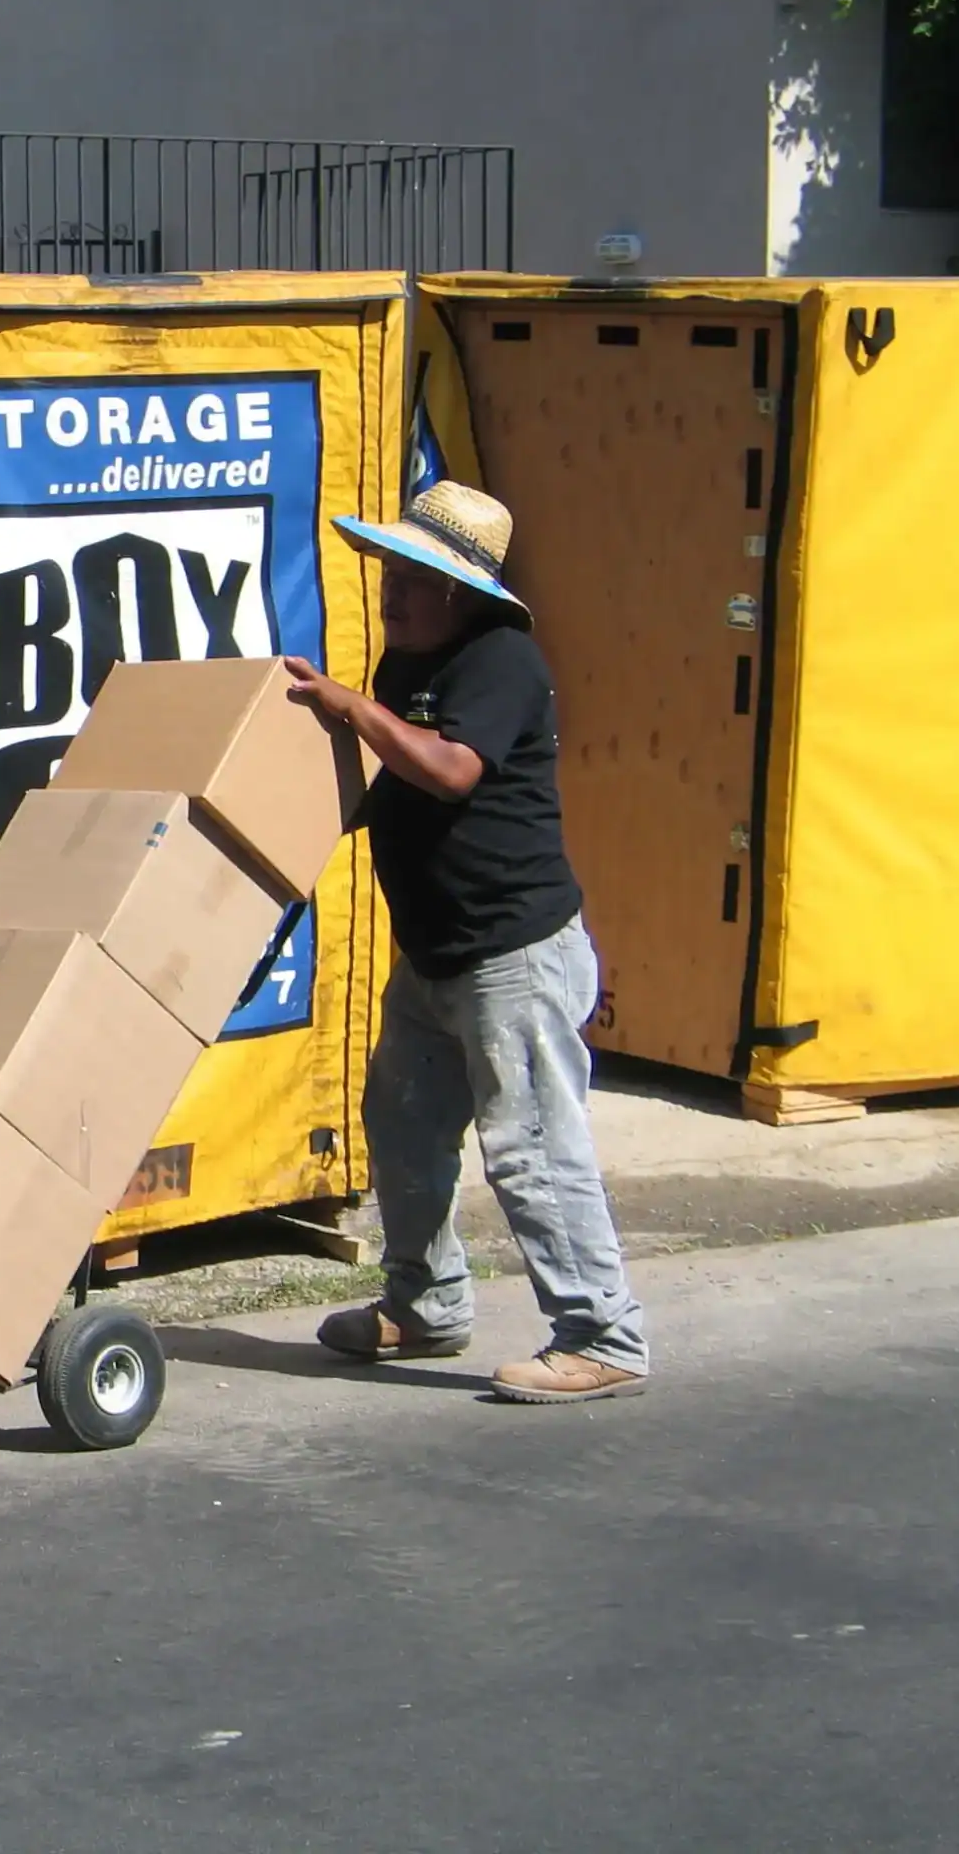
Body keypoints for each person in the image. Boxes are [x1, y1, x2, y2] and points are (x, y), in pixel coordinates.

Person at [282, 478, 649, 1403]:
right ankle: (426, 1303)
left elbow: (448, 770)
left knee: (530, 1147)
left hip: (512, 955)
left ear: (458, 588)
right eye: (390, 573)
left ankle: (602, 1336)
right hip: (437, 952)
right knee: (401, 1126)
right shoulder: (409, 666)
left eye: (411, 576)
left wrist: (351, 709)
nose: (392, 592)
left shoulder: (501, 660)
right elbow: (389, 779)